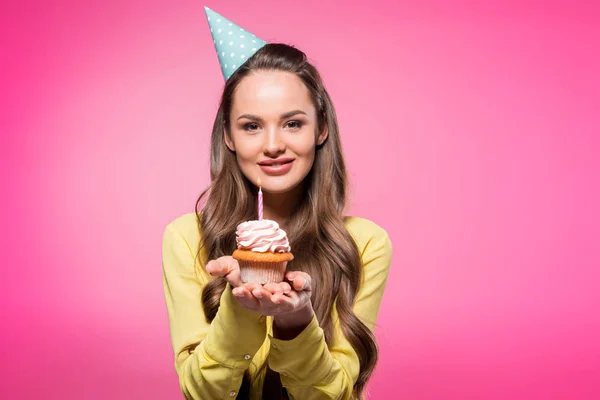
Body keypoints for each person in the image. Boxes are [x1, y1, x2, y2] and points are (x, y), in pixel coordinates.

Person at [162, 8, 392, 400]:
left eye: (292, 123)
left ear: (320, 128)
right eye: (251, 125)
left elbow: (334, 395)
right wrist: (239, 311)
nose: (272, 145)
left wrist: (296, 323)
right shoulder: (188, 238)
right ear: (229, 137)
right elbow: (202, 394)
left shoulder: (365, 244)